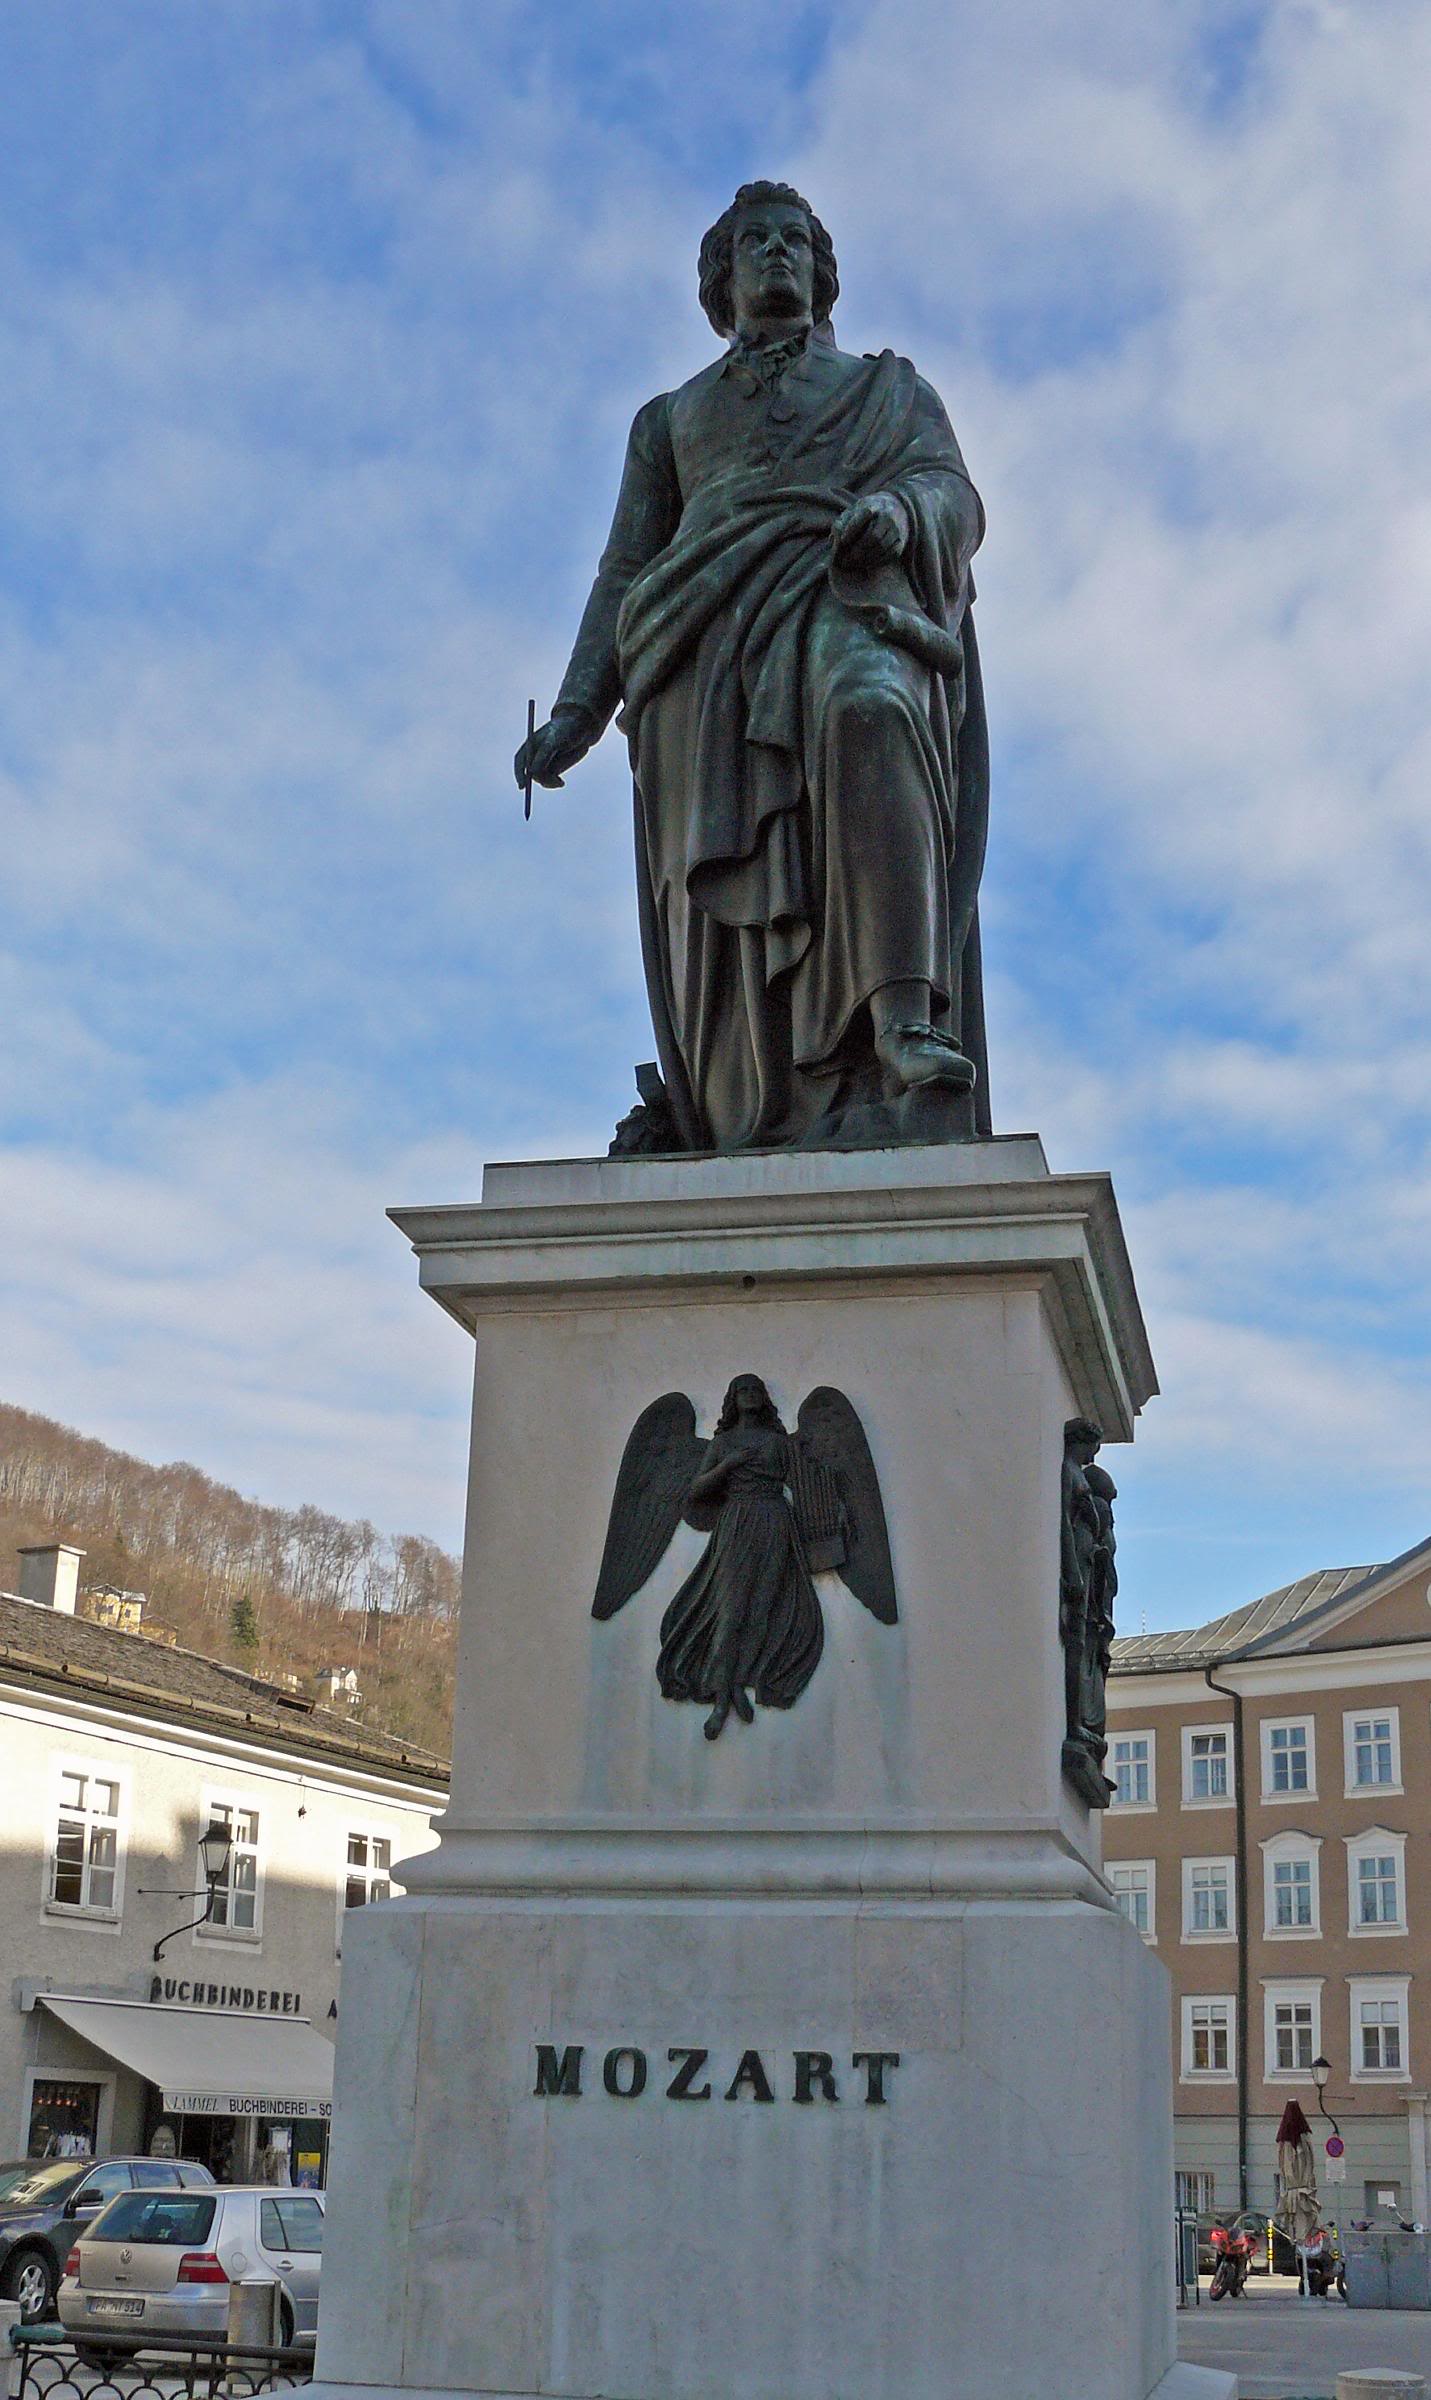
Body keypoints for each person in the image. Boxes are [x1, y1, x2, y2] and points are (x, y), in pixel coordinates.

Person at [516, 181, 991, 1153]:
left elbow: (950, 491)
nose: (776, 255)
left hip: (839, 589)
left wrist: (900, 516)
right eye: (753, 244)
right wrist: (576, 711)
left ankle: (900, 1021)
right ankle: (746, 1100)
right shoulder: (667, 421)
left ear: (823, 274)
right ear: (720, 282)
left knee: (871, 709)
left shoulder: (887, 391)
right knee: (718, 888)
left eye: (793, 242)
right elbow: (623, 568)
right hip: (693, 654)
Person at [656, 1373, 822, 1740]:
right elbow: (696, 1489)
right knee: (730, 1612)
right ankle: (721, 1698)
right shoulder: (724, 1442)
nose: (749, 1395)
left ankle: (737, 1685)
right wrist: (727, 1466)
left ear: (764, 1397)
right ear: (733, 1398)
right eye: (742, 1390)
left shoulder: (777, 1442)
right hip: (738, 1520)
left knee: (763, 1609)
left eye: (755, 1389)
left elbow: (807, 1481)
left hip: (775, 1520)